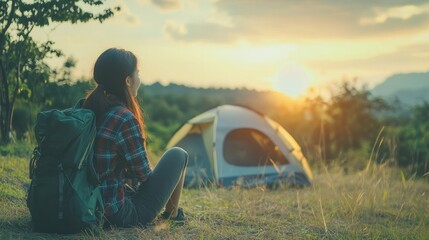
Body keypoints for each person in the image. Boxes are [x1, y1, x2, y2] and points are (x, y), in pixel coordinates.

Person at [83, 48, 188, 227]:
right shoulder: (124, 118)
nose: (139, 78)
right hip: (117, 213)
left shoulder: (90, 109)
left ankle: (173, 213)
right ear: (128, 80)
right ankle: (173, 214)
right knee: (178, 155)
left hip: (88, 204)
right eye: (137, 73)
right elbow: (143, 175)